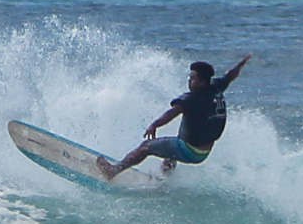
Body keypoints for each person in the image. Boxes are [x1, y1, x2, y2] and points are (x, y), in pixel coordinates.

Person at [97, 54, 251, 179]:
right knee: (173, 145)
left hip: (189, 150)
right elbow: (230, 75)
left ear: (203, 81)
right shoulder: (217, 87)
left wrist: (154, 125)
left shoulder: (192, 98)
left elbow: (171, 113)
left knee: (146, 147)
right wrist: (241, 64)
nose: (189, 81)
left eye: (193, 78)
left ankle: (113, 171)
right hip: (204, 152)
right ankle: (164, 178)